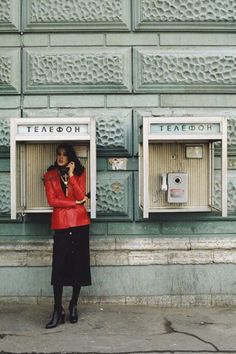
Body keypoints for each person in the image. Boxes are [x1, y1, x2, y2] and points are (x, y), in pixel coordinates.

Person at [43, 143, 91, 329]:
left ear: (70, 157)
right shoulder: (50, 175)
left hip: (80, 224)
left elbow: (81, 195)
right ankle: (57, 309)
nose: (61, 157)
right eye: (58, 154)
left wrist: (71, 177)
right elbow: (52, 200)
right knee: (59, 267)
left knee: (78, 265)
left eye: (64, 154)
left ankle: (73, 305)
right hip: (62, 225)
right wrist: (74, 203)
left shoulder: (79, 172)